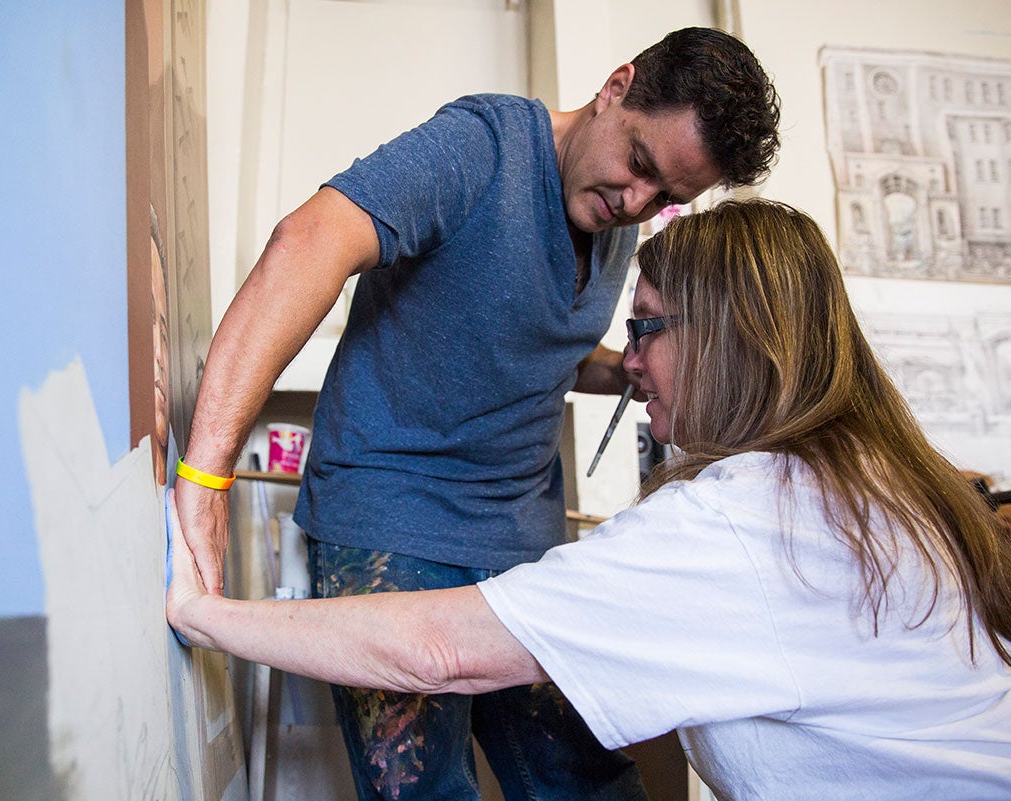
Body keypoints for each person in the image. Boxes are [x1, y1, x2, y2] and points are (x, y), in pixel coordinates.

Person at [167, 199, 1011, 801]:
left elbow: (434, 648)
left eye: (643, 329)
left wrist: (207, 613)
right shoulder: (881, 478)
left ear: (727, 337)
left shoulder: (747, 517)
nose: (628, 363)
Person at [175, 26, 780, 801]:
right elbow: (308, 241)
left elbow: (531, 344)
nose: (637, 202)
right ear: (616, 87)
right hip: (393, 523)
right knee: (425, 787)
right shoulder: (481, 148)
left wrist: (628, 367)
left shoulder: (620, 220)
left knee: (590, 783)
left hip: (522, 543)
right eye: (640, 165)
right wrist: (206, 471)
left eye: (667, 197)